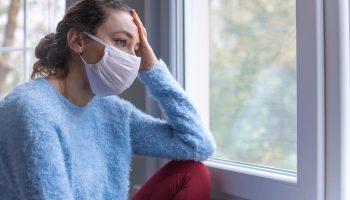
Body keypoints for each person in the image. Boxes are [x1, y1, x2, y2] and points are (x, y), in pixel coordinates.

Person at [0, 0, 217, 199]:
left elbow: (197, 145)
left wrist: (152, 69)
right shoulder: (31, 109)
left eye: (137, 49)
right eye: (121, 41)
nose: (132, 58)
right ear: (77, 41)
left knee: (193, 174)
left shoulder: (113, 112)